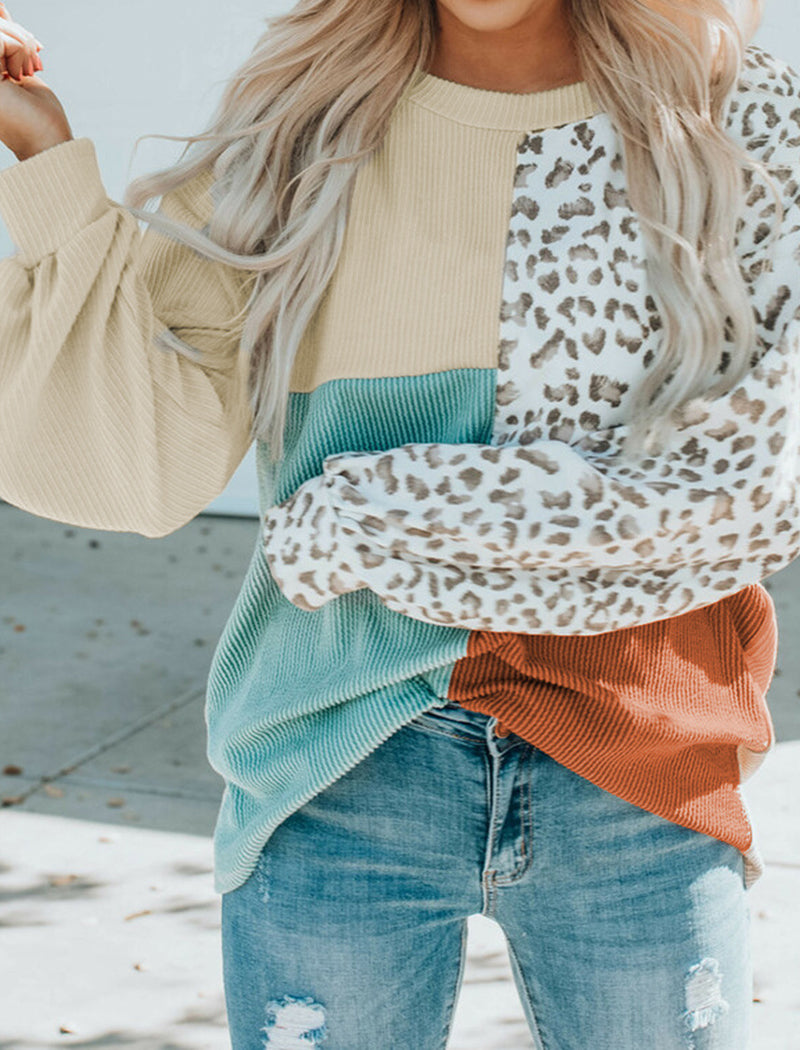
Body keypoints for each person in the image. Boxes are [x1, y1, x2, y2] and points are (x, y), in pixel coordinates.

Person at [0, 0, 797, 1046]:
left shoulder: (729, 115)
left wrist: (362, 514)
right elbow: (145, 465)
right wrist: (44, 156)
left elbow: (748, 488)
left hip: (638, 757)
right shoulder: (299, 124)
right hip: (339, 755)